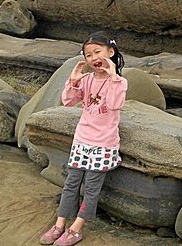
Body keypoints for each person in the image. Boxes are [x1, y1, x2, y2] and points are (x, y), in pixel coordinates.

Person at [40, 31, 128, 246]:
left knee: (91, 187)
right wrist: (72, 81)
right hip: (82, 140)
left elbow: (116, 104)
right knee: (71, 184)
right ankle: (59, 224)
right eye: (88, 55)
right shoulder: (87, 79)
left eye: (98, 52)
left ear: (111, 52)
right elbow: (68, 101)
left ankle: (76, 228)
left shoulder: (119, 82)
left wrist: (114, 75)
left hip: (103, 144)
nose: (93, 58)